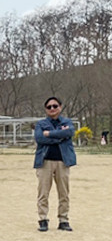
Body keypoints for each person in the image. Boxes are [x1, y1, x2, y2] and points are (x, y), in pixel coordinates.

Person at [34, 96, 76, 232]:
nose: (52, 108)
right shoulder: (41, 124)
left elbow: (69, 132)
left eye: (55, 106)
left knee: (64, 193)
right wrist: (59, 137)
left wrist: (49, 134)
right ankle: (43, 219)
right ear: (46, 109)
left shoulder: (67, 122)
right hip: (44, 162)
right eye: (49, 107)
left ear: (60, 107)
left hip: (63, 162)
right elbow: (40, 138)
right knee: (43, 192)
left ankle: (63, 220)